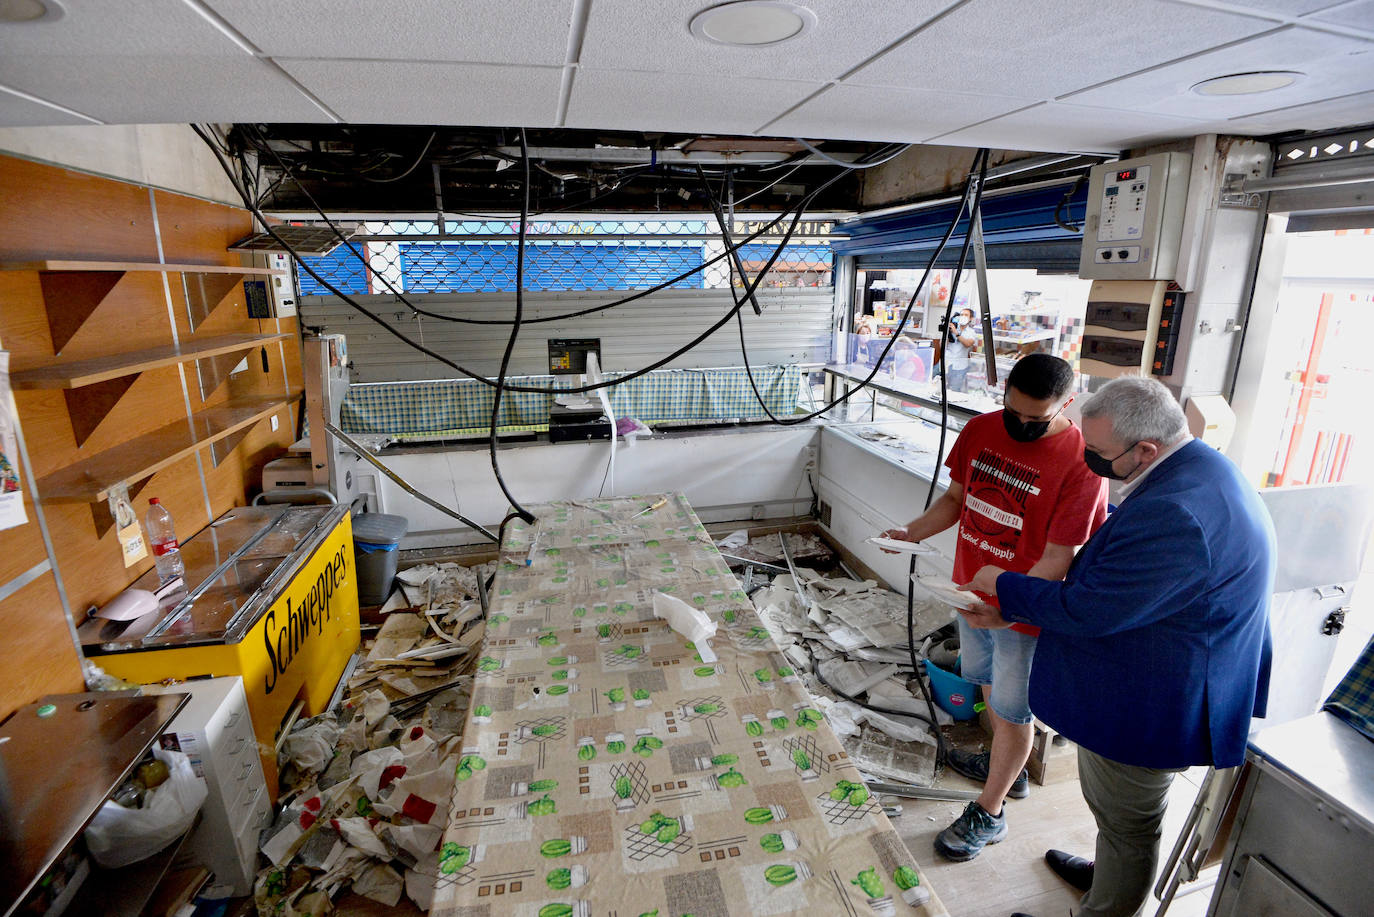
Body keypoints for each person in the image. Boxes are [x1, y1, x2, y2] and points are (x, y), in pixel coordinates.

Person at [959, 376, 1275, 917]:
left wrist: (1005, 586)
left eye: (1099, 452)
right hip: (1168, 664)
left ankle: (1107, 904)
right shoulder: (1198, 468)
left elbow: (1091, 609)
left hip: (1153, 698)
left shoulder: (1176, 513)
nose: (1088, 459)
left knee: (1129, 822)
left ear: (1145, 448)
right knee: (1118, 817)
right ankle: (1108, 875)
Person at [880, 353, 1107, 863]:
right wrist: (910, 533)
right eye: (1014, 413)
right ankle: (1008, 771)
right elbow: (957, 499)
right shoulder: (982, 429)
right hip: (971, 596)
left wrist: (1009, 609)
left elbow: (1058, 558)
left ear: (1066, 403)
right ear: (1003, 393)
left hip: (1021, 612)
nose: (1021, 426)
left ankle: (992, 810)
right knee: (985, 685)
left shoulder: (1081, 463)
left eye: (1036, 420)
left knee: (1011, 709)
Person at [942, 307, 977, 392]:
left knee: (954, 390)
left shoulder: (971, 332)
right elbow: (942, 346)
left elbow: (967, 344)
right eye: (961, 315)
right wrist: (946, 333)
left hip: (960, 366)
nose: (963, 316)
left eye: (966, 315)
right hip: (946, 363)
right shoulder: (951, 328)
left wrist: (956, 333)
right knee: (940, 388)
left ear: (971, 318)